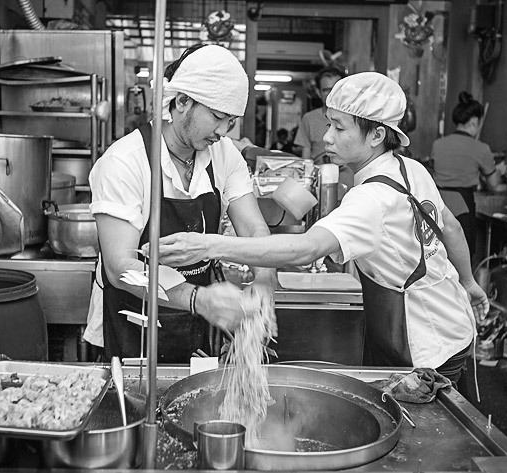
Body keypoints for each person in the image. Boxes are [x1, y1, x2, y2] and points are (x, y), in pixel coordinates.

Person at [152, 72, 489, 391]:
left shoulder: (370, 199)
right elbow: (453, 229)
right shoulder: (411, 169)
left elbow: (306, 248)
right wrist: (470, 283)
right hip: (453, 322)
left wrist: (207, 245)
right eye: (329, 124)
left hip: (424, 348)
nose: (327, 136)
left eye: (339, 128)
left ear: (376, 135)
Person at [86, 43, 276, 362]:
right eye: (217, 117)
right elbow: (121, 269)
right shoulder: (125, 162)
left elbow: (254, 227)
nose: (223, 131)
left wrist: (264, 283)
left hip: (193, 320)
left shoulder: (224, 154)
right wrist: (201, 300)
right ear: (182, 101)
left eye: (231, 121)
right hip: (132, 323)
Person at [431, 92, 501, 255]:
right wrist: (497, 170)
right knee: (463, 259)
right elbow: (494, 184)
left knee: (437, 255)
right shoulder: (481, 148)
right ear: (475, 122)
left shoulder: (437, 144)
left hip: (437, 207)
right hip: (462, 209)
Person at [294, 67, 354, 189]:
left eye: (336, 89)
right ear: (318, 92)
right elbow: (306, 161)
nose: (331, 94)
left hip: (351, 186)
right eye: (326, 90)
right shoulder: (309, 119)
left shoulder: (356, 119)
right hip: (321, 187)